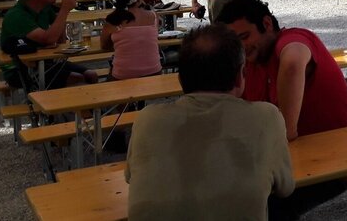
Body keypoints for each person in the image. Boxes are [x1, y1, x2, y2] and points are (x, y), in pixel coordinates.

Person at [125, 24, 294, 221]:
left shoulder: (147, 120)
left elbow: (130, 177)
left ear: (180, 79)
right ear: (240, 75)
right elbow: (285, 187)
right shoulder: (267, 117)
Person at [216, 0, 347, 139]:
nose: (241, 46)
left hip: (342, 146)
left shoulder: (291, 38)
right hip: (303, 149)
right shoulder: (249, 61)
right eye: (235, 42)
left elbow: (292, 62)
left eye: (244, 37)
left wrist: (286, 131)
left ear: (267, 24)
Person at [0, 0, 98, 89]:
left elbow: (60, 39)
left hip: (45, 62)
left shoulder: (45, 8)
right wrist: (64, 9)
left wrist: (61, 16)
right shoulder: (17, 15)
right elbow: (49, 39)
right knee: (77, 79)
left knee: (91, 75)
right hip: (19, 69)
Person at [100, 0, 162, 81]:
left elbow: (104, 46)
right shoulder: (153, 16)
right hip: (154, 72)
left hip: (123, 75)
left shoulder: (113, 21)